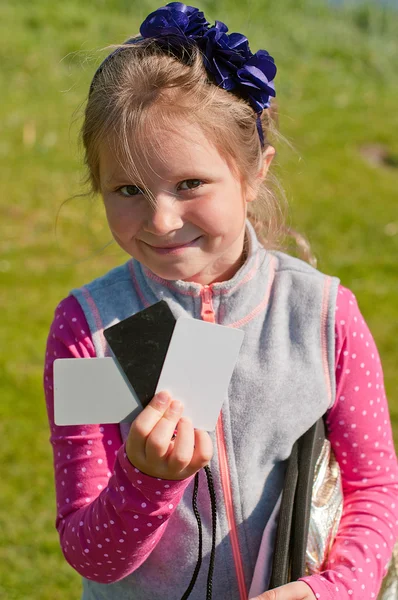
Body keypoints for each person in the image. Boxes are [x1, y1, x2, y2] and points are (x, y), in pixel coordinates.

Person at [43, 3, 398, 599]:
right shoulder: (93, 333)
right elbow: (89, 552)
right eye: (127, 189)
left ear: (255, 172)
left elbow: (375, 489)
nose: (160, 218)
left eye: (190, 184)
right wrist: (145, 481)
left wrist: (333, 589)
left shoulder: (321, 318)